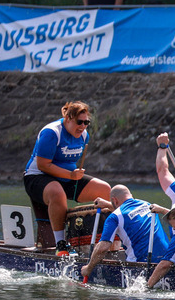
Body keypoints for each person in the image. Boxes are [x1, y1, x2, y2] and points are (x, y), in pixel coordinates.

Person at [23, 101, 111, 255]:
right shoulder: (51, 132)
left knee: (105, 189)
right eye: (79, 122)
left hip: (66, 178)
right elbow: (43, 165)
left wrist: (71, 175)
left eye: (86, 122)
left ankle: (107, 240)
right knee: (57, 192)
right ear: (68, 118)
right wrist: (70, 175)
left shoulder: (84, 135)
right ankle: (61, 245)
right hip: (37, 178)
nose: (83, 126)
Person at [80, 185, 169, 281]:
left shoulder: (114, 217)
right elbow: (128, 212)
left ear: (114, 200)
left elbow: (103, 248)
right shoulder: (147, 205)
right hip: (166, 261)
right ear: (130, 195)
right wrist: (107, 204)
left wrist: (88, 268)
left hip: (140, 266)